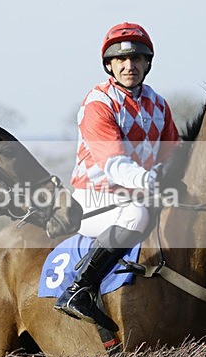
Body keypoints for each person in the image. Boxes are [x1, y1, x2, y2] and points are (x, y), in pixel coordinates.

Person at [54, 22, 180, 324]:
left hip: (141, 195)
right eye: (121, 60)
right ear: (109, 65)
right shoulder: (98, 102)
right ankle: (77, 288)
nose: (129, 66)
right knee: (136, 215)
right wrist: (149, 181)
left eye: (136, 59)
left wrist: (163, 176)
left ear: (147, 63)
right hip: (96, 198)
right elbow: (113, 162)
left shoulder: (158, 103)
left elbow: (172, 153)